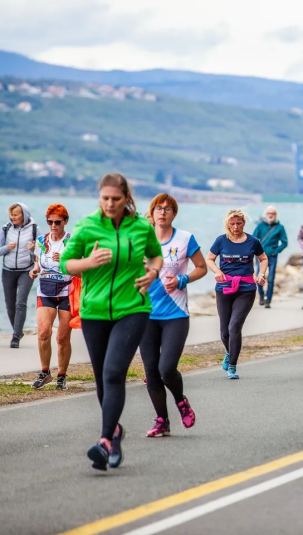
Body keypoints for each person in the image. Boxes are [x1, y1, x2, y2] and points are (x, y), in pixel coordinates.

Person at [61, 173, 163, 471]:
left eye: (115, 199)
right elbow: (66, 263)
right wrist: (88, 264)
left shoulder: (141, 227)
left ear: (126, 198)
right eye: (105, 198)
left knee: (115, 372)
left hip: (133, 307)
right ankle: (115, 431)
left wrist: (154, 273)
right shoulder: (87, 226)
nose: (109, 203)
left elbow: (156, 257)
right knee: (102, 378)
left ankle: (104, 441)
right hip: (93, 312)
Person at [139, 194, 207, 438]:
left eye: (168, 209)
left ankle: (181, 401)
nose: (163, 212)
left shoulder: (185, 238)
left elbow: (202, 267)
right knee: (151, 372)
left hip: (176, 314)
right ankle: (162, 421)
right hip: (145, 314)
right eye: (159, 208)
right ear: (153, 212)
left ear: (174, 214)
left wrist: (182, 279)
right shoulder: (140, 239)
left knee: (166, 368)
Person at [206, 209, 268, 380]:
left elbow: (263, 259)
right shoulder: (221, 240)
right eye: (232, 224)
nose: (235, 227)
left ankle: (232, 366)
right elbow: (209, 259)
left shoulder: (253, 241)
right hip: (224, 288)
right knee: (224, 331)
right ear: (227, 224)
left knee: (234, 327)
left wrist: (261, 274)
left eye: (238, 223)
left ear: (243, 223)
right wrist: (217, 271)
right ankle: (229, 351)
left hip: (246, 288)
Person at [29, 204, 73, 389]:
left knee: (62, 337)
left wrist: (64, 261)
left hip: (66, 291)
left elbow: (80, 265)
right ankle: (45, 372)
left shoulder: (72, 241)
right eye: (50, 222)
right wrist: (34, 270)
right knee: (44, 332)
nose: (53, 225)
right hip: (46, 290)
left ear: (65, 222)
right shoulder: (41, 241)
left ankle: (61, 375)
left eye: (57, 222)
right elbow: (38, 263)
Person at [1, 202, 37, 348]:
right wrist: (6, 248)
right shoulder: (6, 228)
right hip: (8, 271)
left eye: (16, 214)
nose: (13, 217)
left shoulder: (35, 229)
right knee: (10, 305)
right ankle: (18, 331)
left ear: (24, 214)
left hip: (26, 271)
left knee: (20, 303)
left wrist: (34, 249)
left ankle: (15, 337)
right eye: (12, 215)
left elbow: (41, 252)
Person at [252, 206, 288, 309]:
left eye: (273, 213)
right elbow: (254, 239)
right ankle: (261, 295)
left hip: (272, 256)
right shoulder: (260, 226)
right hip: (260, 256)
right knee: (260, 276)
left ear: (276, 215)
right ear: (265, 215)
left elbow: (285, 242)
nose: (270, 215)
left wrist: (275, 251)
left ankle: (268, 299)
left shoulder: (280, 227)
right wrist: (255, 251)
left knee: (271, 278)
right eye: (268, 213)